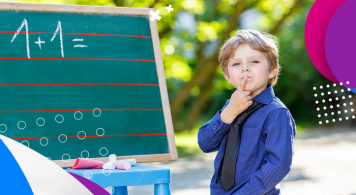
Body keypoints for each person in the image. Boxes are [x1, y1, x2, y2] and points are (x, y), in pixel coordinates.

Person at [198, 29, 296, 195]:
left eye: (254, 61)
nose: (245, 68)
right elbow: (205, 144)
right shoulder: (231, 106)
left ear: (272, 70)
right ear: (227, 76)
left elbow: (278, 164)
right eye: (236, 64)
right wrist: (228, 113)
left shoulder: (276, 113)